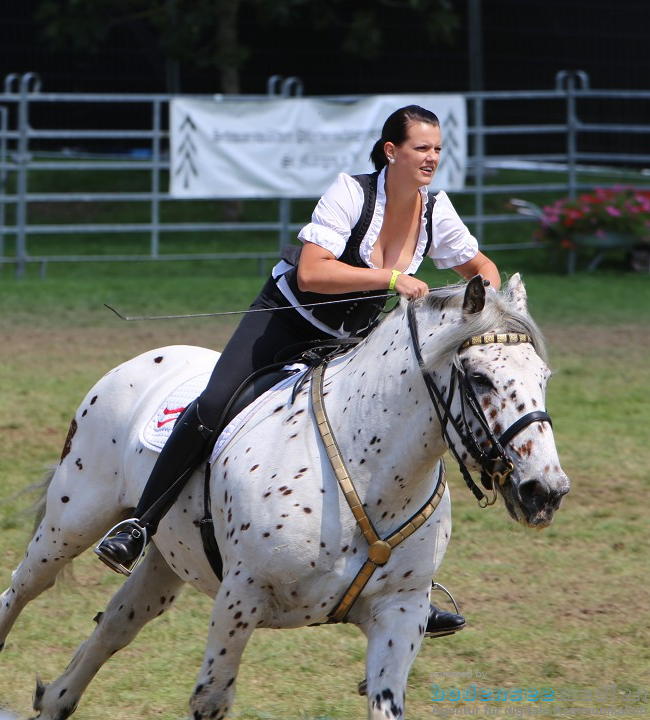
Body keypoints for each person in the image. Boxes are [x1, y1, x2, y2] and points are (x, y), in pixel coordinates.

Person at [95, 104, 501, 637]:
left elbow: (481, 267)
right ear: (391, 152)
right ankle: (138, 526)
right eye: (422, 148)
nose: (432, 158)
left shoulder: (435, 210)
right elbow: (311, 273)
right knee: (214, 406)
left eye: (438, 149)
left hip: (351, 341)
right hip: (284, 323)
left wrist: (484, 304)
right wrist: (391, 279)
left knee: (403, 433)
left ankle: (412, 590)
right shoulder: (351, 193)